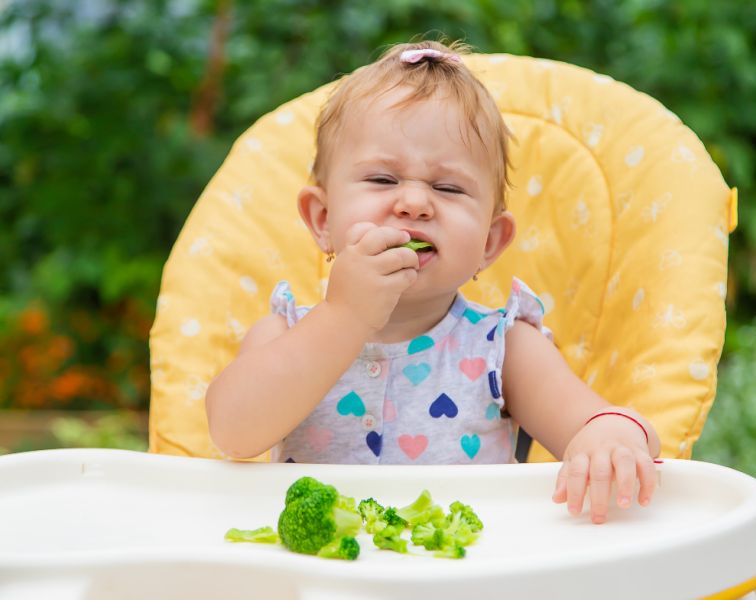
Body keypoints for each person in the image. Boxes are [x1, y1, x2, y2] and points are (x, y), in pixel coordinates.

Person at [206, 39, 660, 524]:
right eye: (382, 179)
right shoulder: (285, 334)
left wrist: (611, 437)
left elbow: (598, 422)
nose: (415, 204)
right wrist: (345, 316)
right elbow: (232, 433)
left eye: (448, 188)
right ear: (322, 219)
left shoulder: (503, 348)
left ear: (489, 241)